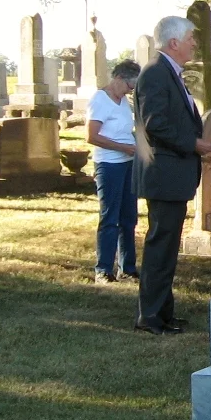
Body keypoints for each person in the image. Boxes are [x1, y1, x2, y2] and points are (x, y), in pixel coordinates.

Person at [133, 16, 211, 335]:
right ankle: (150, 317)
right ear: (173, 43)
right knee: (160, 247)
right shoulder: (155, 72)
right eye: (191, 38)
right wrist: (192, 144)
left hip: (173, 174)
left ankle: (163, 312)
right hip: (164, 173)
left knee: (167, 248)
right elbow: (155, 123)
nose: (195, 42)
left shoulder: (169, 72)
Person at [87, 60, 141, 284]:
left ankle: (127, 267)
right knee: (110, 217)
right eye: (130, 86)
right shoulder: (100, 100)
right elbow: (92, 136)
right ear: (119, 78)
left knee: (129, 218)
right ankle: (103, 269)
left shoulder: (123, 102)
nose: (131, 91)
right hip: (109, 165)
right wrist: (123, 147)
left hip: (128, 163)